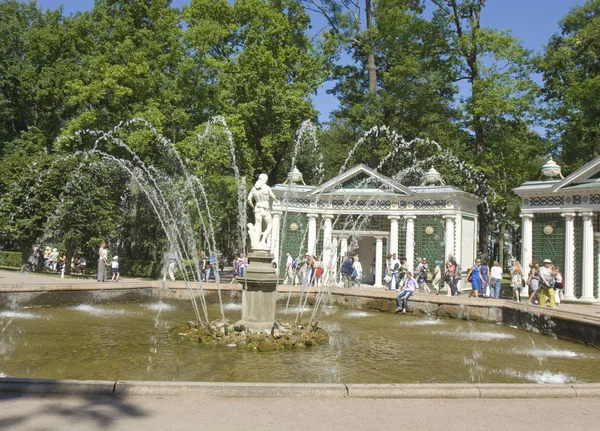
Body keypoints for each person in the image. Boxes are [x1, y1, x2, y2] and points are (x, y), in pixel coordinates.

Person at [247, 173, 277, 249]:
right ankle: (263, 241)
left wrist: (253, 207)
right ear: (265, 180)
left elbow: (249, 199)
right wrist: (276, 200)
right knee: (270, 226)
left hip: (257, 209)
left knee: (258, 227)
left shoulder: (253, 189)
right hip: (264, 209)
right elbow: (273, 197)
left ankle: (256, 243)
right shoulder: (267, 188)